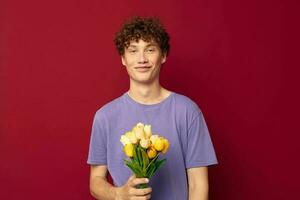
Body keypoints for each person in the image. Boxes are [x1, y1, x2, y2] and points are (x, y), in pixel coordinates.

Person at [87, 16, 218, 200]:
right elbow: (96, 181)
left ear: (163, 55)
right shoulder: (105, 116)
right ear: (123, 59)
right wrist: (118, 194)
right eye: (133, 51)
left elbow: (198, 185)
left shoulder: (187, 111)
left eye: (150, 49)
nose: (142, 59)